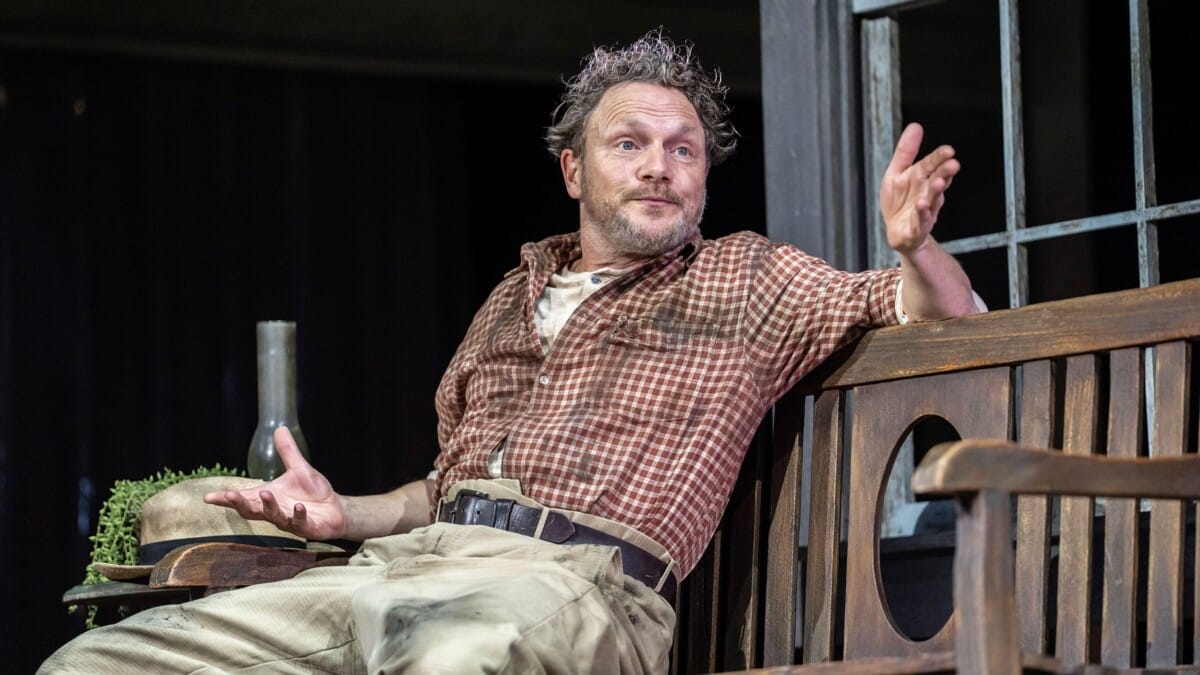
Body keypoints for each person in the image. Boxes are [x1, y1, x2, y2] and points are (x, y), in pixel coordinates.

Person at [41, 27, 982, 674]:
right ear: (574, 169)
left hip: (575, 586)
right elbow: (443, 484)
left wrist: (915, 248)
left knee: (455, 658)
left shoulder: (747, 279)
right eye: (629, 143)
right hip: (404, 567)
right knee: (102, 660)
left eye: (683, 149)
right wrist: (341, 514)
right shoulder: (508, 299)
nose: (659, 165)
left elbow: (943, 313)